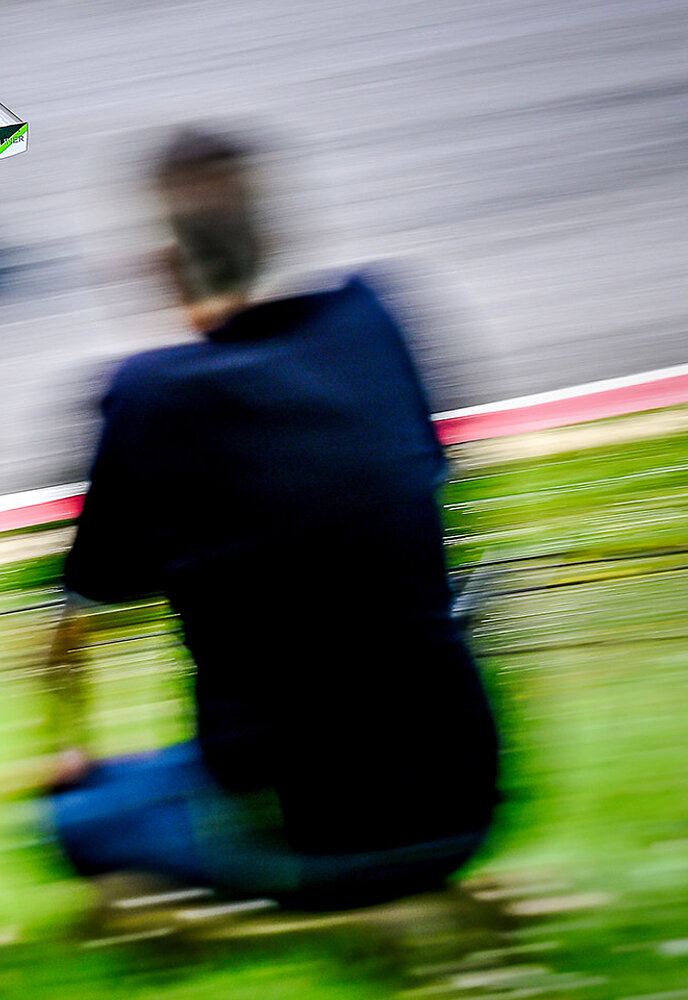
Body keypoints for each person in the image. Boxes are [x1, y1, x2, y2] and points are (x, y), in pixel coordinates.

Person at [40, 128, 501, 911]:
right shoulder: (377, 320)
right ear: (271, 235)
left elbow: (82, 613)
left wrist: (67, 749)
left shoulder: (151, 396)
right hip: (464, 800)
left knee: (72, 812)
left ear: (162, 266)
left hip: (307, 829)